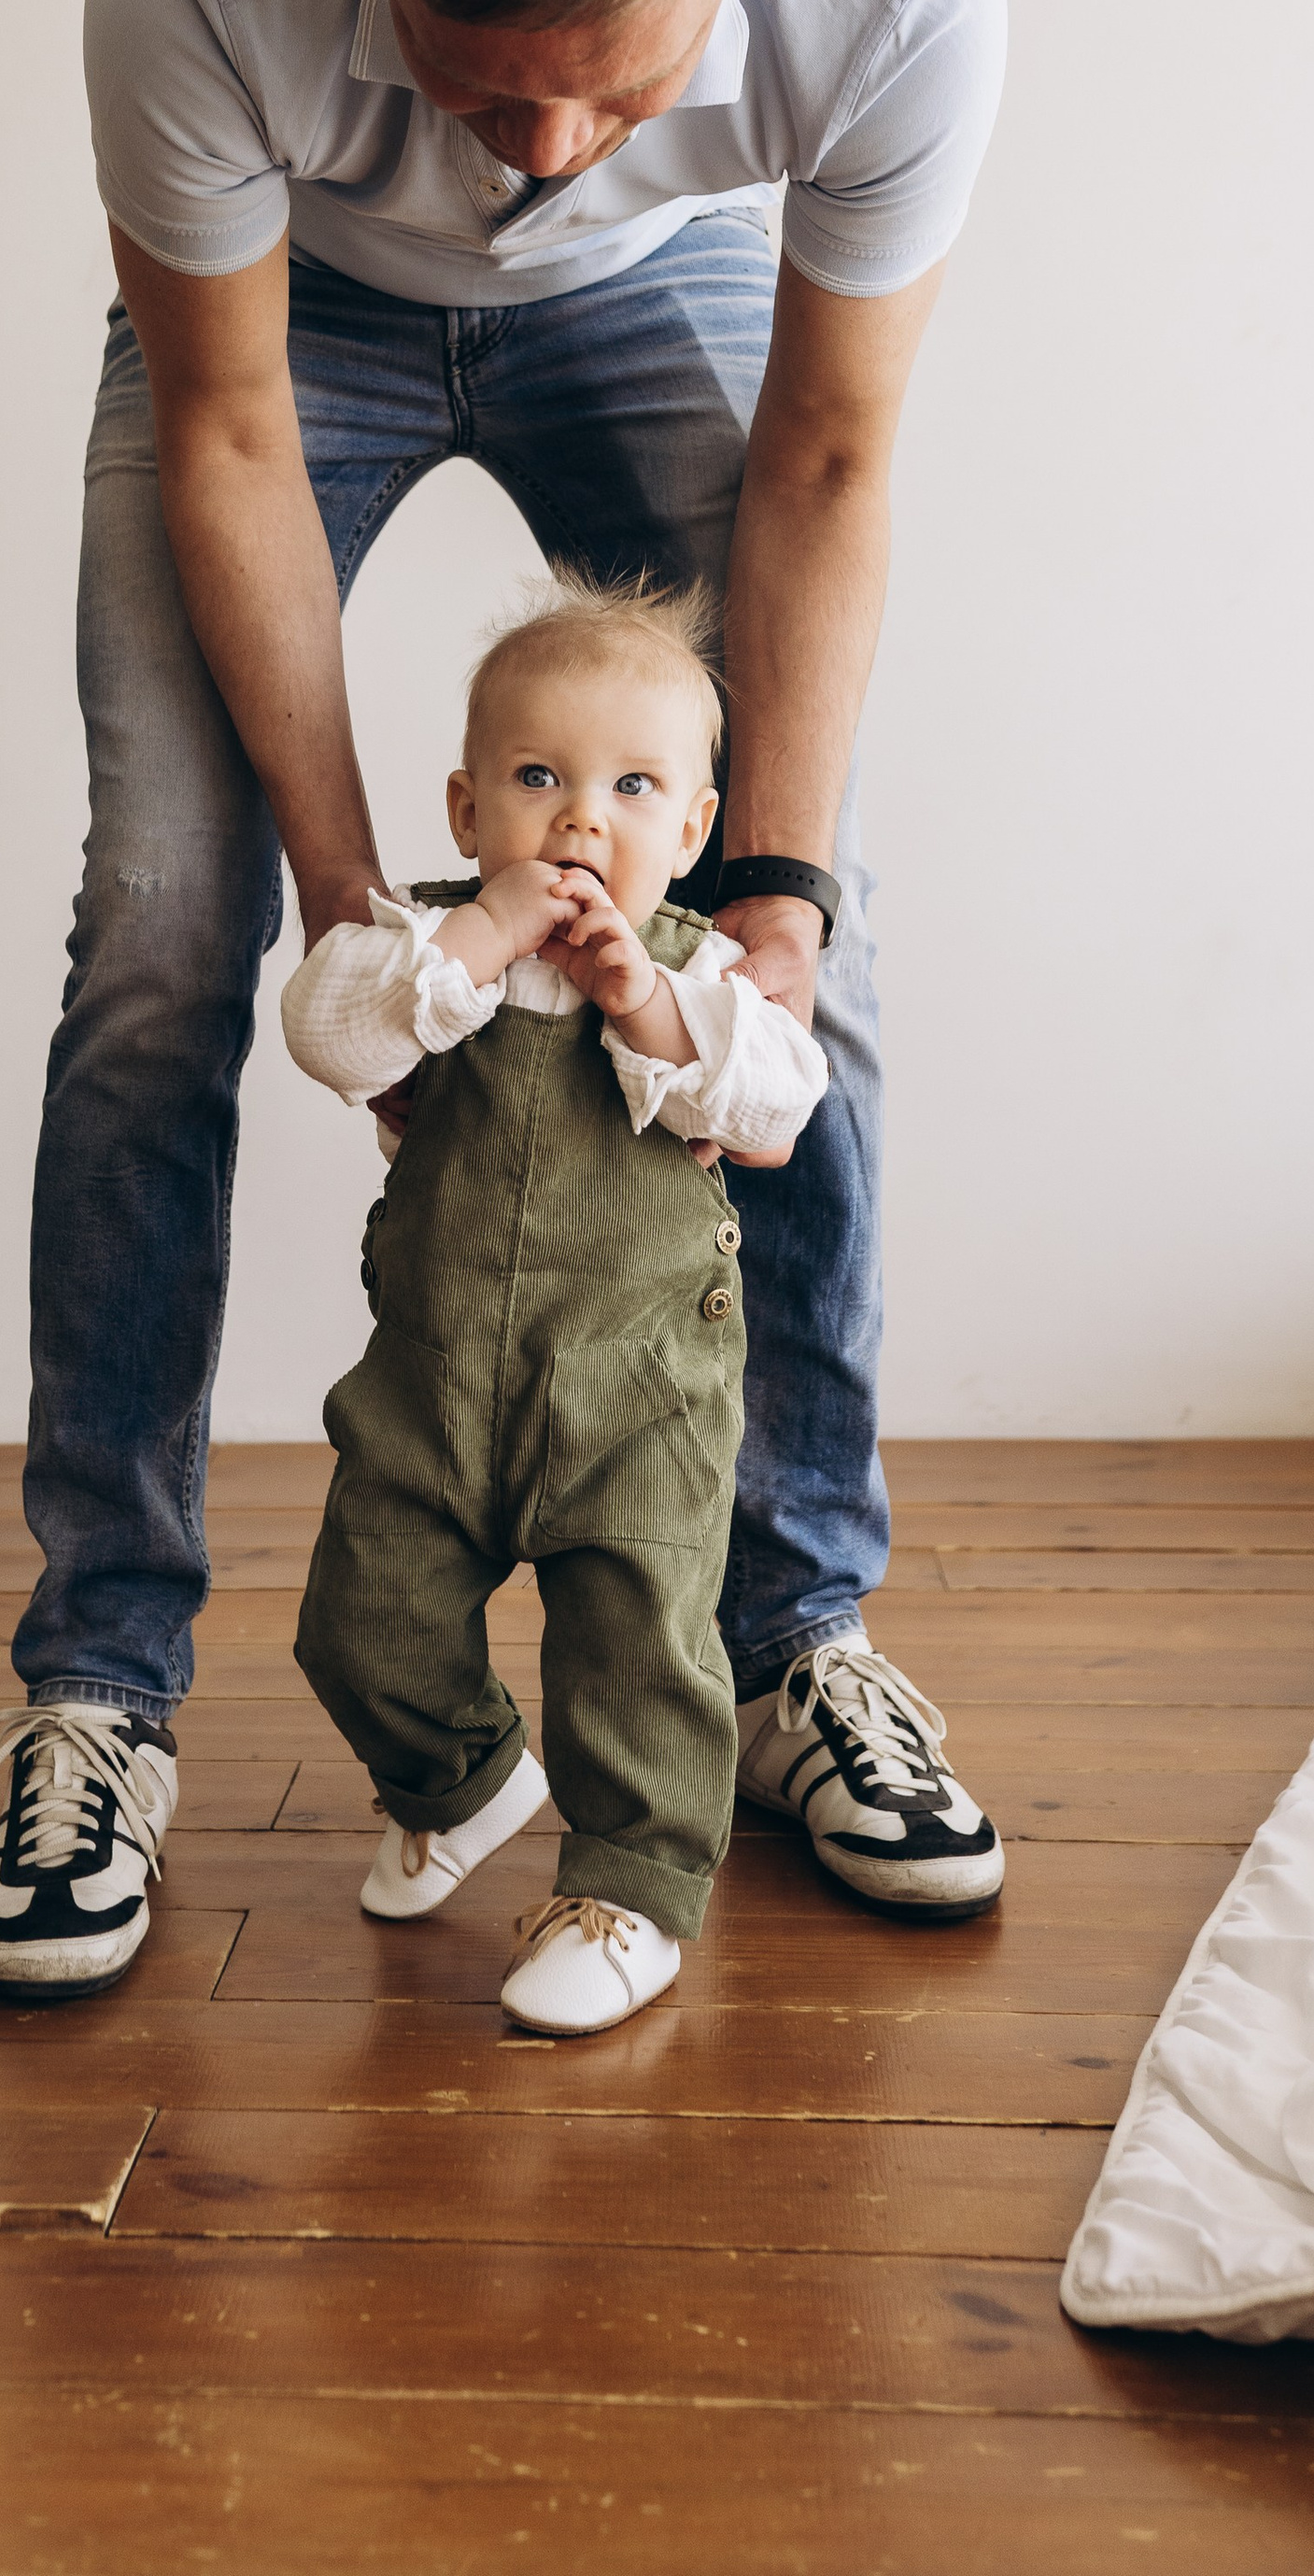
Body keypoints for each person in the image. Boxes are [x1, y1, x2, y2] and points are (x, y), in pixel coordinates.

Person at [0, 0, 1009, 2001]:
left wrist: (769, 894)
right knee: (155, 934)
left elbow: (832, 452)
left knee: (807, 973)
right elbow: (221, 426)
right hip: (277, 326)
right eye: (476, 72)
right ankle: (97, 1690)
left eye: (612, 91)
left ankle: (793, 1639)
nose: (531, 150)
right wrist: (369, 927)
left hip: (657, 307)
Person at [280, 575, 827, 2038]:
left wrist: (641, 997)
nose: (582, 824)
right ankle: (461, 1777)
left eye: (632, 788)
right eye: (539, 781)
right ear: (467, 812)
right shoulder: (422, 949)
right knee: (360, 1618)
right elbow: (325, 1033)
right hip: (433, 1379)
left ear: (693, 831)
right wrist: (480, 941)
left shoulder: (701, 968)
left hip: (637, 1386)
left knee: (635, 1643)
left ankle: (631, 1891)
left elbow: (781, 1098)